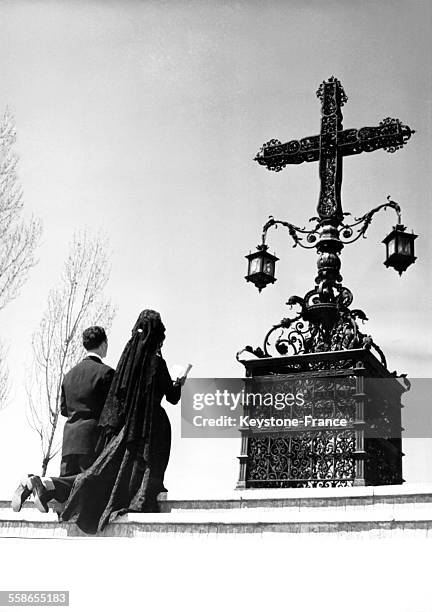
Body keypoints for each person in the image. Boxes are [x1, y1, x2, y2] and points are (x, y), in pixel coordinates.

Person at [55, 309, 184, 534]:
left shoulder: (125, 365)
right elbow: (172, 397)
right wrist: (179, 382)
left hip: (124, 428)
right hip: (153, 426)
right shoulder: (156, 363)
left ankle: (50, 488)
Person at [11, 326, 114, 512]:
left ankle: (32, 482)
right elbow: (111, 411)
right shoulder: (106, 373)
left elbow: (65, 410)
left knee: (68, 492)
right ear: (104, 344)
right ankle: (42, 482)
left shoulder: (69, 375)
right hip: (91, 438)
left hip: (69, 438)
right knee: (88, 482)